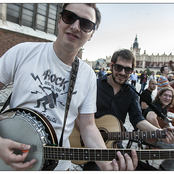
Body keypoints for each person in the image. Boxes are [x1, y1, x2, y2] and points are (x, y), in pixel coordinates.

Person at [0, 3, 138, 171]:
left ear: (91, 34)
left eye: (85, 24)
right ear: (59, 20)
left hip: (57, 165)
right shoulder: (22, 52)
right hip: (9, 159)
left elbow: (88, 126)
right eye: (69, 17)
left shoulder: (87, 75)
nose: (75, 27)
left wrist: (107, 165)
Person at [82, 49, 174, 170]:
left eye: (128, 70)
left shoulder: (131, 92)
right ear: (112, 65)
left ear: (132, 71)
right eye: (119, 67)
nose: (122, 72)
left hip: (115, 144)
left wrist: (159, 132)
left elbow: (137, 118)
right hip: (90, 144)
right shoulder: (94, 85)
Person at [143, 87, 174, 170]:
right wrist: (160, 132)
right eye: (165, 95)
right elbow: (150, 118)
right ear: (159, 96)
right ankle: (165, 168)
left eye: (170, 96)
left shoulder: (163, 108)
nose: (168, 98)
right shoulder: (156, 106)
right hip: (149, 137)